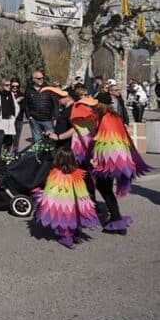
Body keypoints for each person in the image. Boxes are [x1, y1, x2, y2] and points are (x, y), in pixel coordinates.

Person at [90, 93, 150, 234]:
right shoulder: (115, 116)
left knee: (104, 188)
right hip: (118, 158)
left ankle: (116, 220)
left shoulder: (105, 119)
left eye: (96, 103)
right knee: (106, 188)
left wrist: (96, 160)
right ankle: (115, 217)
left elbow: (104, 143)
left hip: (109, 160)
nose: (94, 106)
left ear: (101, 104)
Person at [34, 148, 99, 249]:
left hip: (61, 203)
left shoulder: (54, 173)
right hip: (77, 203)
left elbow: (49, 189)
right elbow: (88, 186)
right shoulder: (78, 173)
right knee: (75, 218)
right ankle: (76, 233)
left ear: (58, 159)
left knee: (63, 220)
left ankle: (66, 238)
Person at [24, 70, 57, 141]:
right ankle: (39, 153)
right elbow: (26, 104)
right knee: (37, 141)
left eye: (42, 78)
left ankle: (50, 152)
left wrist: (55, 117)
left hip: (48, 120)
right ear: (33, 79)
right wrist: (28, 116)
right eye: (39, 78)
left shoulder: (48, 89)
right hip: (34, 120)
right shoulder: (29, 90)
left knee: (51, 141)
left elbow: (55, 103)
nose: (41, 80)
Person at [0, 80, 20, 152]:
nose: (9, 86)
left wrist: (14, 117)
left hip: (10, 122)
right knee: (0, 143)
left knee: (9, 143)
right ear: (2, 85)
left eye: (10, 85)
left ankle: (7, 159)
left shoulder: (11, 94)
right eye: (7, 85)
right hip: (1, 122)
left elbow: (16, 107)